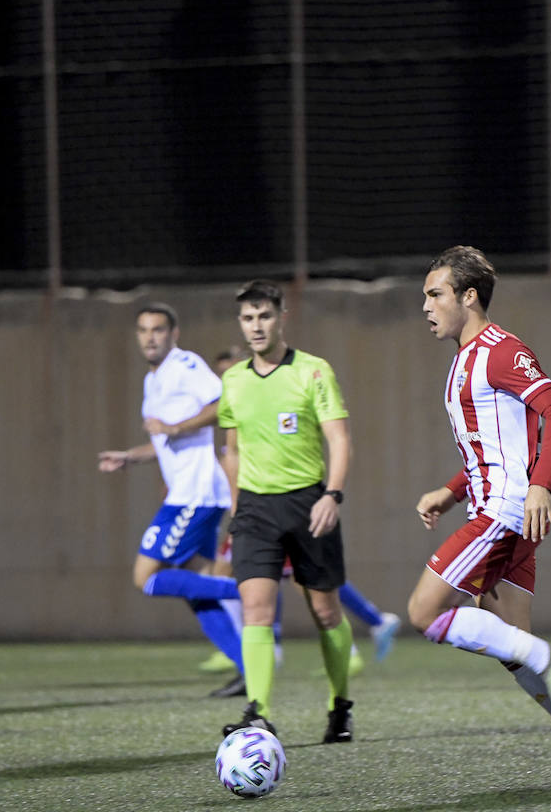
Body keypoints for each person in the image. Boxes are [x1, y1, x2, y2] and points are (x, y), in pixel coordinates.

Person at [409, 245, 551, 792]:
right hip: (501, 509)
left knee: (423, 613)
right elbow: (493, 446)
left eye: (435, 294)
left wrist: (539, 487)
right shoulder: (465, 358)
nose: (426, 306)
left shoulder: (498, 350)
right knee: (511, 647)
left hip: (502, 513)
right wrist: (450, 489)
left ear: (468, 297)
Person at [197, 349, 401, 676]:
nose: (228, 379)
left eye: (230, 370)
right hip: (252, 511)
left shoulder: (284, 384)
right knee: (248, 576)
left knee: (305, 584)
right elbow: (231, 457)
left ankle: (350, 643)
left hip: (281, 506)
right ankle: (247, 646)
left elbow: (336, 438)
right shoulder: (236, 403)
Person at [217, 280, 356, 742]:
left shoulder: (313, 372)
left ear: (282, 317)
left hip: (308, 503)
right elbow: (231, 449)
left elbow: (338, 439)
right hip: (256, 510)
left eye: (264, 316)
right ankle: (258, 710)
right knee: (255, 610)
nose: (256, 326)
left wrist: (331, 496)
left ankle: (340, 705)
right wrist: (238, 507)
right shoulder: (233, 380)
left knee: (326, 612)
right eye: (247, 318)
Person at [97, 303, 247, 698]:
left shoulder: (186, 366)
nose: (150, 337)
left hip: (194, 495)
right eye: (143, 330)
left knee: (145, 577)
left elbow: (223, 405)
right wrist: (131, 456)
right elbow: (164, 439)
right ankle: (248, 668)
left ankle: (248, 589)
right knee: (195, 590)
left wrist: (177, 426)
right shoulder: (154, 380)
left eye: (158, 329)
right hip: (189, 494)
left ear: (173, 334)